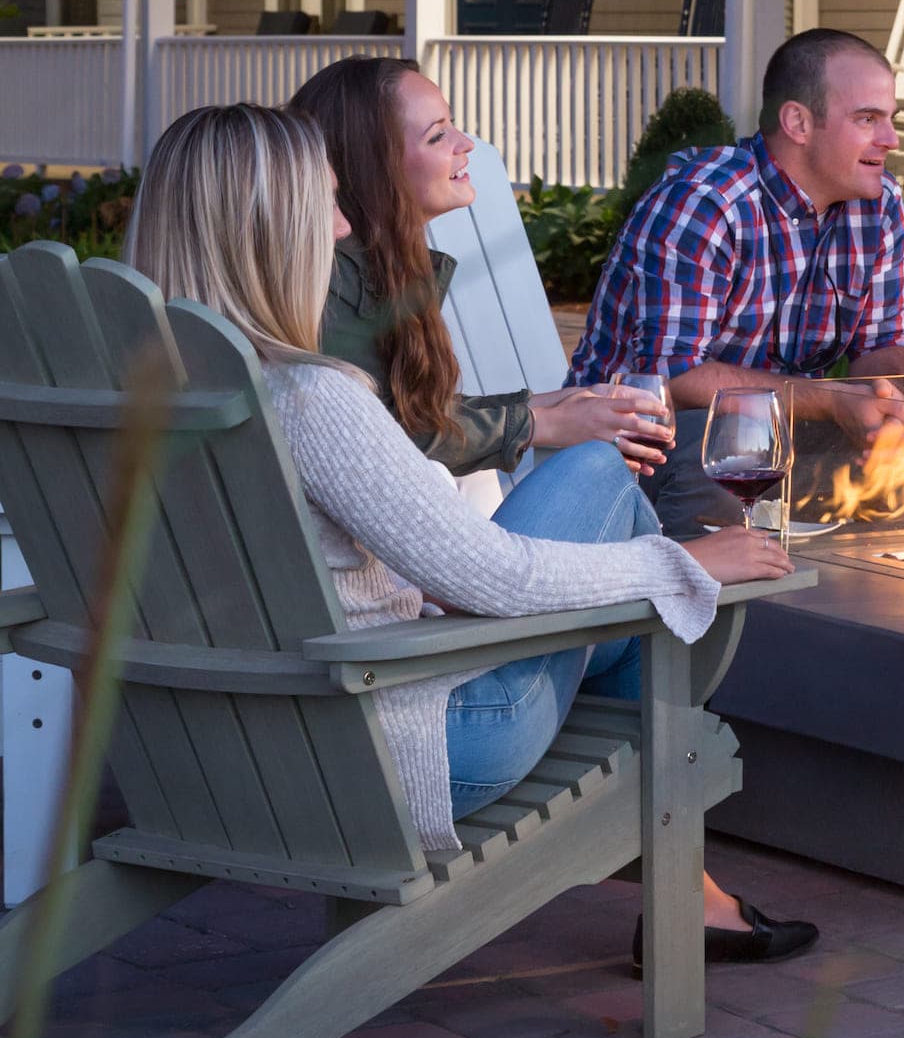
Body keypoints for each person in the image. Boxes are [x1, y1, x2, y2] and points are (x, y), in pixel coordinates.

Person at [123, 105, 813, 966]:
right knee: (606, 485)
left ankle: (683, 868)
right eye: (328, 207)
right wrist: (684, 562)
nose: (343, 231)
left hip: (202, 755)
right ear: (267, 231)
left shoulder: (122, 399)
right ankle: (676, 857)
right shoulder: (309, 399)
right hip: (412, 751)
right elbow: (490, 581)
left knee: (607, 560)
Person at [568, 28, 904, 538]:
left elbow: (888, 341)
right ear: (799, 122)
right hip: (630, 454)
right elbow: (674, 373)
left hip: (783, 437)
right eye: (867, 119)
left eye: (890, 119)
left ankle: (879, 606)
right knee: (733, 443)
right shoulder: (706, 201)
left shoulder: (879, 203)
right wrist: (835, 401)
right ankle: (713, 612)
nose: (890, 139)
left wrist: (888, 401)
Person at [290, 57, 672, 484]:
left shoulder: (384, 268)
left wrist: (558, 402)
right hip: (403, 541)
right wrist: (543, 424)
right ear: (375, 166)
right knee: (601, 470)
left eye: (453, 124)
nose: (465, 143)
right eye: (438, 135)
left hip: (430, 521)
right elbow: (384, 440)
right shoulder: (334, 287)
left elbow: (418, 415)